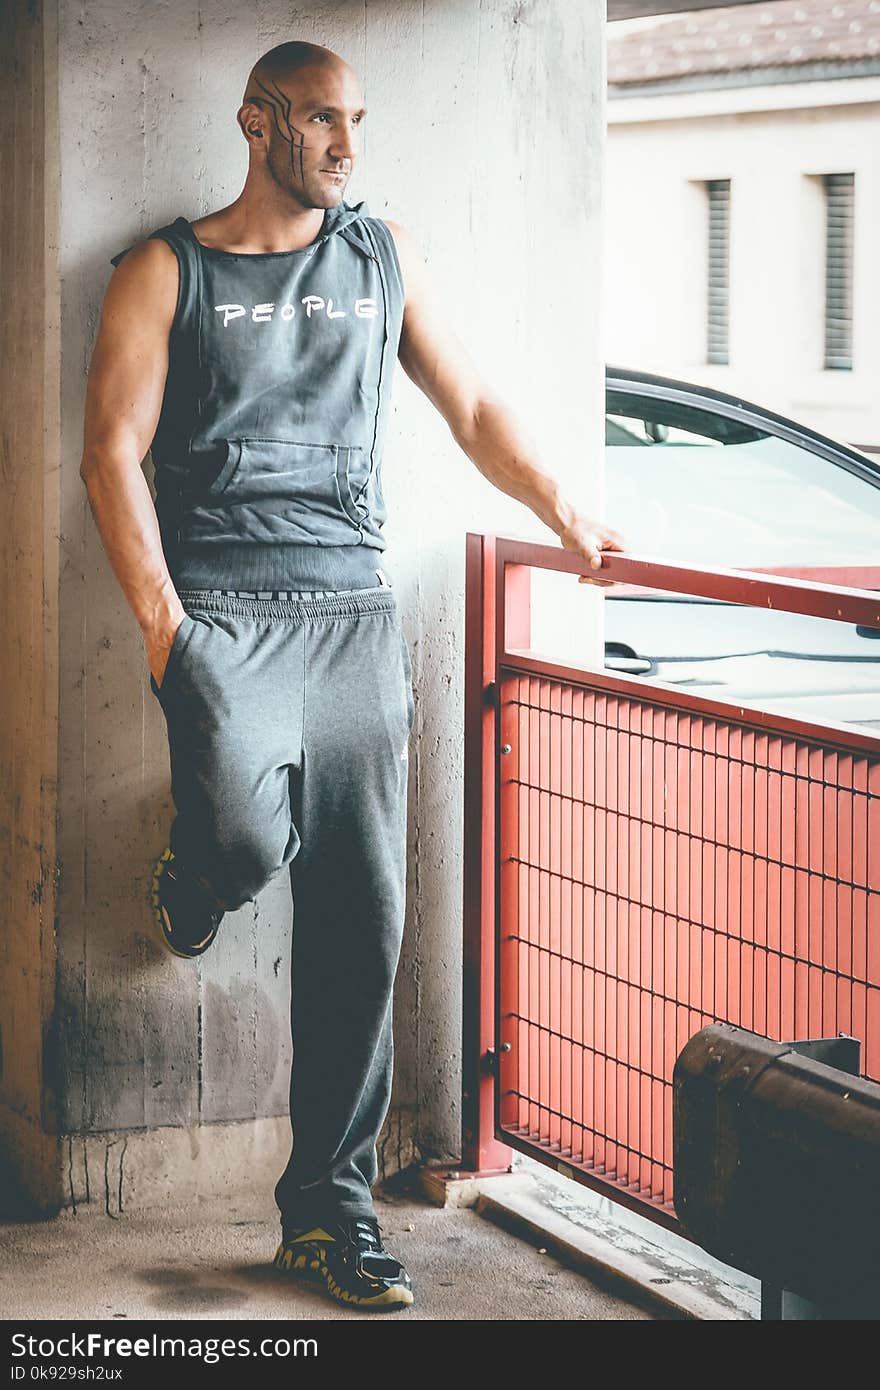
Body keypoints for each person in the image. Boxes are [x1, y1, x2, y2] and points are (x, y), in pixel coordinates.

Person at [80, 39, 624, 1314]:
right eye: (323, 119)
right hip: (222, 613)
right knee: (246, 838)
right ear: (256, 120)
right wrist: (166, 632)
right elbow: (110, 449)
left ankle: (326, 1214)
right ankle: (201, 870)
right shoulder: (169, 267)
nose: (348, 144)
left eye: (359, 121)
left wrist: (561, 511)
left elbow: (472, 400)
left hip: (351, 617)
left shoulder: (375, 257)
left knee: (362, 919)